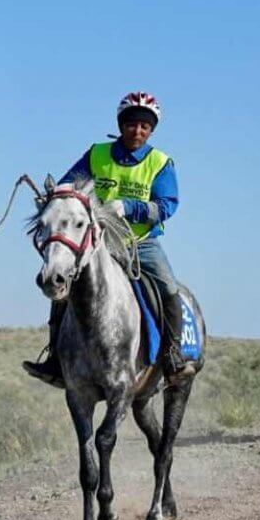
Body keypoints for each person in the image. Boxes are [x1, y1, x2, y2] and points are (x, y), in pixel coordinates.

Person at [23, 92, 186, 387]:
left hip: (141, 242)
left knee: (167, 286)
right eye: (132, 124)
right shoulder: (98, 153)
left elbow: (167, 206)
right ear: (121, 125)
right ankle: (56, 359)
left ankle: (172, 353)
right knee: (64, 283)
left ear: (151, 130)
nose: (137, 131)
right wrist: (55, 197)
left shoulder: (160, 163)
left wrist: (129, 207)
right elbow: (69, 181)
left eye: (144, 127)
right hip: (98, 242)